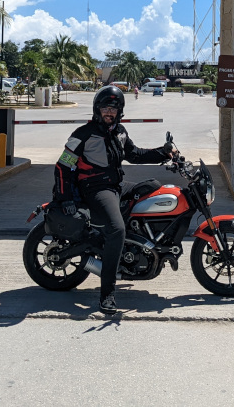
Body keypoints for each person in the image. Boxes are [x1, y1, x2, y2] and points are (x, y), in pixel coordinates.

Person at [52, 85, 173, 314]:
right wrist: (65, 197)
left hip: (116, 186)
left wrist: (163, 152)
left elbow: (135, 154)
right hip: (96, 189)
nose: (110, 112)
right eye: (106, 108)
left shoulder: (120, 132)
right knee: (117, 230)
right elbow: (63, 166)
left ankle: (132, 247)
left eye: (114, 109)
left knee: (154, 188)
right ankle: (107, 294)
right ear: (97, 109)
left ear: (120, 112)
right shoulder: (83, 134)